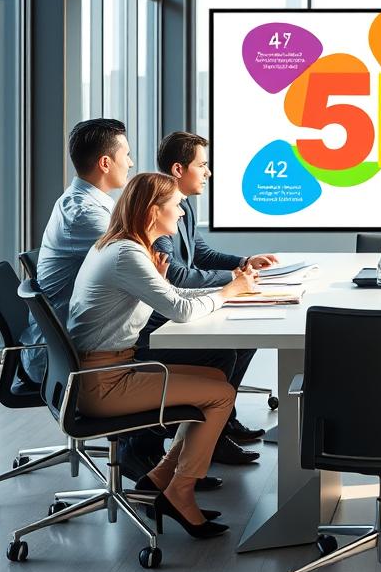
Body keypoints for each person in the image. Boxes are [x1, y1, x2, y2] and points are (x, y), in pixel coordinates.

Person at [67, 172, 258, 538]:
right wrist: (229, 291)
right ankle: (181, 491)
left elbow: (173, 300)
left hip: (109, 369)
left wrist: (226, 291)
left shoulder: (124, 248)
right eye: (175, 207)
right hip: (103, 383)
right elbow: (182, 311)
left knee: (216, 380)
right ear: (154, 211)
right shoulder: (127, 255)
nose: (182, 214)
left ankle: (161, 478)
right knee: (221, 395)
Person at [138, 130, 279, 465]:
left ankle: (221, 423)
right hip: (158, 325)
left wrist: (242, 264)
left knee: (245, 341)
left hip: (174, 310)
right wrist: (233, 283)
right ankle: (207, 434)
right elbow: (176, 276)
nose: (208, 173)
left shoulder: (180, 205)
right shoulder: (161, 211)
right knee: (224, 352)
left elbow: (201, 253)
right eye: (202, 165)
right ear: (177, 170)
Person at [26, 119, 134, 384]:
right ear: (105, 163)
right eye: (127, 155)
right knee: (207, 349)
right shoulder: (86, 215)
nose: (130, 163)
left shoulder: (89, 204)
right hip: (71, 354)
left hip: (78, 339)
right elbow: (137, 265)